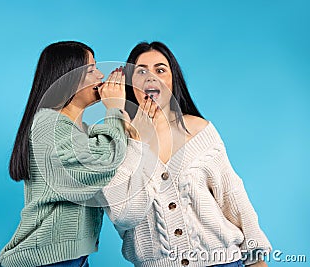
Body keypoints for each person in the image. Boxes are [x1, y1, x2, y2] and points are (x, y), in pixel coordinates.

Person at [99, 42, 272, 267]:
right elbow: (124, 215)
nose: (151, 77)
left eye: (160, 70)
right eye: (141, 71)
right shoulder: (114, 140)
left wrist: (256, 260)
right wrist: (139, 140)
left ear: (173, 81)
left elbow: (234, 199)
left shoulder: (200, 131)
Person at [0, 41, 128, 267]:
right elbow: (104, 161)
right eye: (91, 70)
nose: (100, 75)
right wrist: (114, 110)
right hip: (48, 260)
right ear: (68, 77)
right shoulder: (49, 124)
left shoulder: (78, 131)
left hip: (70, 258)